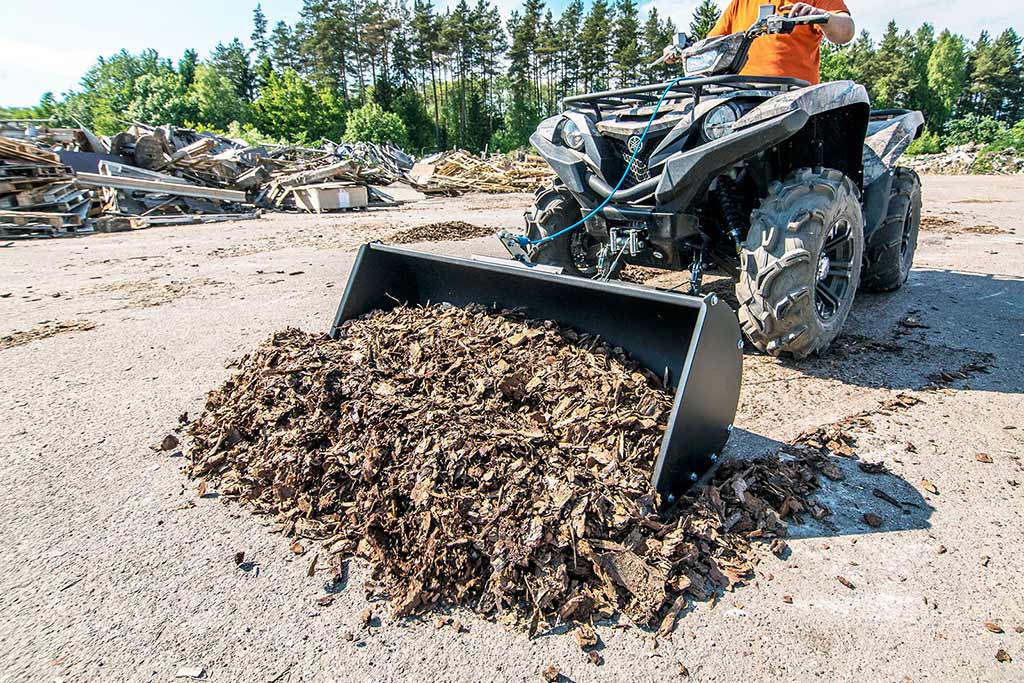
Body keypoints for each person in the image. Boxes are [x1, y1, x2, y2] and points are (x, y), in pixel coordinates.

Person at [706, 0, 855, 85]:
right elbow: (709, 47)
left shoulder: (813, 2)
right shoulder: (741, 3)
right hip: (741, 99)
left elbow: (846, 32)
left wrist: (822, 15)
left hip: (795, 101)